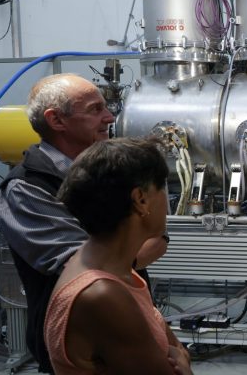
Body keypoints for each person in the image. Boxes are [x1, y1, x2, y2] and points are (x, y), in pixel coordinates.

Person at [0, 73, 168, 372]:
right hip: (83, 338)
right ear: (57, 120)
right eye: (95, 109)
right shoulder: (25, 187)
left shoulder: (110, 170)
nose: (110, 117)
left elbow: (152, 239)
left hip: (125, 318)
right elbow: (89, 265)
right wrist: (139, 244)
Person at [45, 137, 190, 374]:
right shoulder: (102, 295)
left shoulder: (117, 268)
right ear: (140, 200)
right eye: (162, 189)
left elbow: (176, 348)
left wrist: (181, 357)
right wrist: (184, 365)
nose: (168, 201)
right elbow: (177, 358)